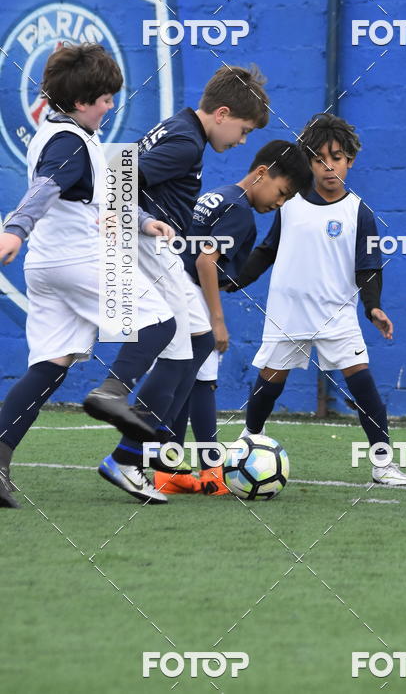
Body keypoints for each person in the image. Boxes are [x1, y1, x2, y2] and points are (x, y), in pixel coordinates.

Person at [0, 43, 176, 508]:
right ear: (81, 102)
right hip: (78, 260)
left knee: (48, 367)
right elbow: (45, 187)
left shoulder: (63, 129)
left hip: (47, 267)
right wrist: (14, 229)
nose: (111, 105)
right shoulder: (69, 142)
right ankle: (111, 394)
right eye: (105, 98)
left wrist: (142, 222)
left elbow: (96, 195)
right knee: (161, 321)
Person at [97, 65, 271, 499]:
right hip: (150, 249)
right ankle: (128, 451)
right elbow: (118, 178)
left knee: (196, 342)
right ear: (223, 112)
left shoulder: (177, 127)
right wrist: (141, 222)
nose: (241, 142)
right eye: (243, 130)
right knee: (190, 342)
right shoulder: (187, 142)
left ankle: (143, 450)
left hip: (149, 247)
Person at [233, 113, 406, 487]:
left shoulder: (358, 211)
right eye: (319, 158)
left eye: (337, 157)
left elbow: (369, 266)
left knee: (363, 385)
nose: (328, 166)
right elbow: (267, 251)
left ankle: (383, 463)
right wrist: (233, 280)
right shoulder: (291, 203)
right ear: (309, 162)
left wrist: (373, 306)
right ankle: (247, 442)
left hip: (337, 314)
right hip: (288, 310)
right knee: (270, 381)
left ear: (350, 160)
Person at [154, 139, 312, 495]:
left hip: (170, 284)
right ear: (262, 174)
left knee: (186, 378)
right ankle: (209, 470)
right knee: (203, 381)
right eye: (282, 192)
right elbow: (205, 261)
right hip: (189, 291)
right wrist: (217, 320)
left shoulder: (220, 194)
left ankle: (169, 468)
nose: (280, 203)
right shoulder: (240, 211)